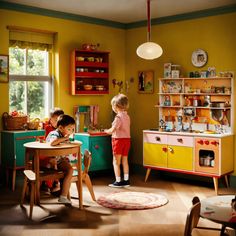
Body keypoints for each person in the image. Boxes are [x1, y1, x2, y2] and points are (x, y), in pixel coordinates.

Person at [46, 114, 76, 204]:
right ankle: (62, 195)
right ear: (60, 127)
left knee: (69, 170)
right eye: (69, 129)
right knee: (69, 170)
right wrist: (64, 138)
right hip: (50, 160)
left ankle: (62, 195)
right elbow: (52, 143)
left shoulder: (63, 134)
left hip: (59, 159)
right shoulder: (54, 133)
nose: (71, 131)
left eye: (73, 129)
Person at [105, 93, 131, 187]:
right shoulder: (127, 116)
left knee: (116, 162)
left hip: (118, 141)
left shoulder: (118, 117)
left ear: (116, 106)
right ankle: (126, 180)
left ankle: (118, 181)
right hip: (127, 140)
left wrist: (106, 131)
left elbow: (112, 130)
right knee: (125, 160)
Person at [40, 108, 64, 192]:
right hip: (49, 151)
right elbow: (47, 139)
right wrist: (43, 140)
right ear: (50, 120)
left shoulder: (63, 129)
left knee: (54, 162)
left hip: (59, 153)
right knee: (43, 160)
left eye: (58, 120)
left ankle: (55, 183)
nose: (56, 122)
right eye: (54, 120)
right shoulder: (48, 128)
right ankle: (43, 182)